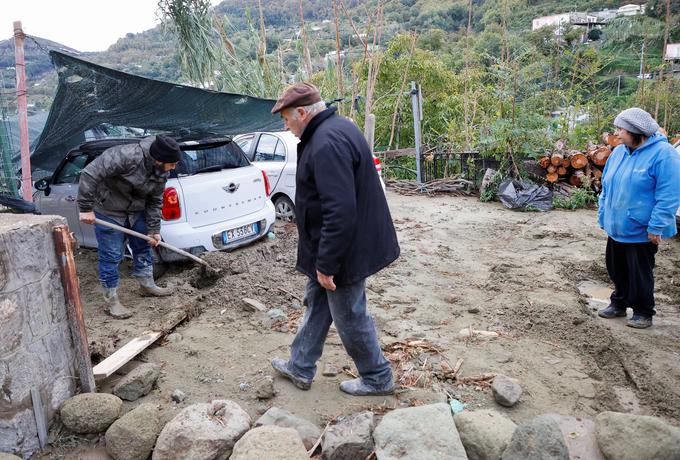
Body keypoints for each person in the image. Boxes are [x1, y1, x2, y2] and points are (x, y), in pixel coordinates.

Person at [270, 83, 400, 396]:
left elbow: (339, 211)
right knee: (317, 302)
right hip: (333, 246)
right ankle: (300, 366)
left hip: (343, 250)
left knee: (349, 313)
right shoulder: (336, 128)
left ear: (302, 112)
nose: (285, 126)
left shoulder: (326, 142)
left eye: (287, 119)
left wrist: (327, 264)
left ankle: (377, 377)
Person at [77, 135, 181, 319]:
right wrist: (85, 208)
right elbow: (90, 173)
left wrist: (154, 229)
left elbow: (155, 200)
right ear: (159, 160)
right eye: (172, 164)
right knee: (111, 255)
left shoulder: (161, 170)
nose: (174, 168)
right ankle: (112, 300)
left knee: (143, 246)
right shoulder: (125, 156)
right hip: (109, 210)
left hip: (136, 211)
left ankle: (147, 285)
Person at [597, 108, 680, 328]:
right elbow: (606, 186)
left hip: (642, 229)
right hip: (617, 226)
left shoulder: (663, 154)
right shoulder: (619, 152)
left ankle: (643, 311)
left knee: (640, 273)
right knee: (616, 268)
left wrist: (656, 226)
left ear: (636, 131)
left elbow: (669, 196)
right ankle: (619, 303)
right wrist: (603, 213)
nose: (617, 133)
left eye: (621, 129)